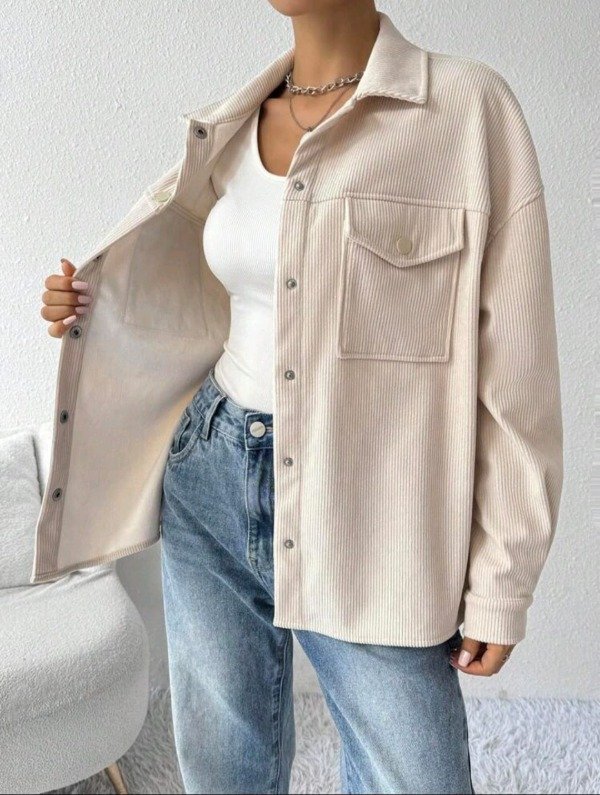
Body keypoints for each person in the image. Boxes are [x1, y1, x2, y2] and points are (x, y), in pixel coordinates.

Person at [39, 1, 563, 793]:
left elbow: (517, 371)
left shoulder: (466, 111)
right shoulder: (231, 125)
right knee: (225, 765)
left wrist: (502, 582)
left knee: (412, 776)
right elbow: (190, 289)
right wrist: (88, 303)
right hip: (209, 473)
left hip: (372, 508)